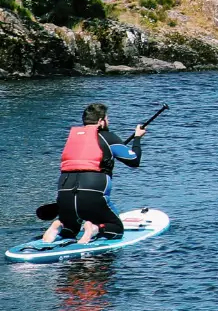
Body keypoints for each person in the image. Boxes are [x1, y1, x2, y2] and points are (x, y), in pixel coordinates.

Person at [41, 104, 145, 245]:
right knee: (116, 228)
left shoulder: (74, 138)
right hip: (92, 191)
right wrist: (137, 138)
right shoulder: (108, 137)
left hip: (64, 192)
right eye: (107, 119)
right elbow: (134, 161)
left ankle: (60, 225)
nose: (109, 122)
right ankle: (94, 228)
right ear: (101, 121)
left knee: (72, 226)